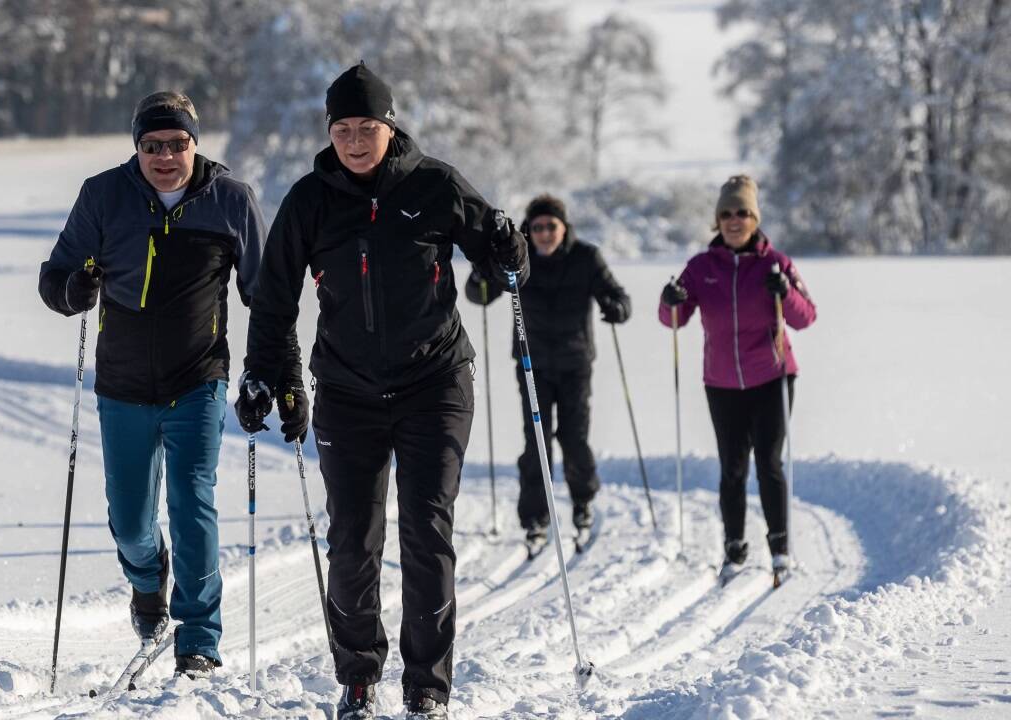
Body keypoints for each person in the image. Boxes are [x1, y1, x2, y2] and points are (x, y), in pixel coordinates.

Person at [235, 63, 528, 720]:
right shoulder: (311, 200)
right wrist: (267, 374)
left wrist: (509, 251)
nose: (355, 140)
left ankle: (427, 686)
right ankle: (359, 678)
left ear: (389, 127)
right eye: (342, 129)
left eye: (367, 127)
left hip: (435, 383)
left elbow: (501, 258)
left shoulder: (434, 184)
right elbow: (275, 300)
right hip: (348, 390)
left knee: (426, 530)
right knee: (352, 538)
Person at [38, 91, 267, 679]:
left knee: (193, 504)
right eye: (152, 146)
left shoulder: (231, 201)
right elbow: (55, 275)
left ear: (195, 142)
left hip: (198, 381)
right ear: (136, 147)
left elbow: (264, 296)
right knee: (133, 522)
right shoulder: (103, 195)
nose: (165, 156)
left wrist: (269, 369)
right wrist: (72, 292)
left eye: (177, 144)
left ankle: (199, 639)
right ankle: (147, 579)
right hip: (122, 385)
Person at [658, 175, 817, 578]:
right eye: (726, 213)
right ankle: (734, 546)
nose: (734, 220)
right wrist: (669, 301)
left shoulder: (775, 263)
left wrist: (785, 292)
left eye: (742, 213)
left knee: (768, 462)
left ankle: (780, 547)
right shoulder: (700, 267)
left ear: (755, 218)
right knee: (732, 467)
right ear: (717, 220)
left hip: (772, 377)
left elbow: (805, 317)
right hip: (722, 382)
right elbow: (674, 319)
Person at [465, 194, 631, 553]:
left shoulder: (586, 257)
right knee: (536, 442)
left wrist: (616, 307)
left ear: (563, 227)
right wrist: (481, 274)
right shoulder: (516, 260)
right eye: (537, 227)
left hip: (575, 364)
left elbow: (616, 294)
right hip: (532, 365)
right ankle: (535, 518)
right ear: (529, 229)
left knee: (573, 438)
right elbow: (478, 294)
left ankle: (583, 501)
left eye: (550, 226)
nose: (544, 234)